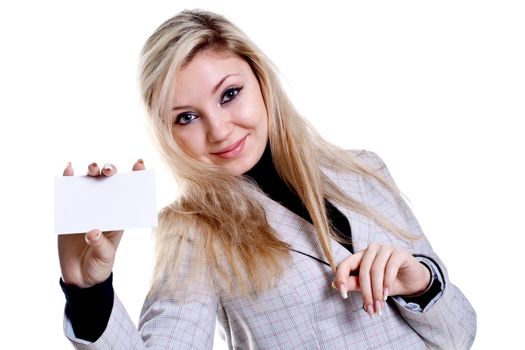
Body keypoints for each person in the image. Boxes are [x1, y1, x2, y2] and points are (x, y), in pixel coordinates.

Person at [58, 9, 476, 349]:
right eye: (187, 117)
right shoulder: (194, 229)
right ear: (168, 133)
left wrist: (419, 284)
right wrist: (88, 294)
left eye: (229, 94)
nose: (219, 129)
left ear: (260, 81)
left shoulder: (364, 171)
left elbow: (460, 335)